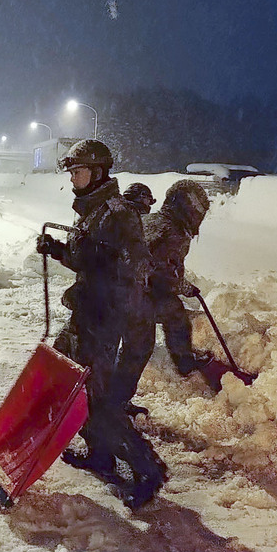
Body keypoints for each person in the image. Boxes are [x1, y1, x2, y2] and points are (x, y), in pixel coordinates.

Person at [36, 139, 166, 510]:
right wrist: (57, 249)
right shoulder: (95, 212)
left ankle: (147, 468)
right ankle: (100, 455)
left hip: (102, 320)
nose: (73, 179)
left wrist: (109, 309)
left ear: (98, 172)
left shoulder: (117, 213)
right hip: (87, 315)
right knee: (69, 386)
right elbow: (88, 261)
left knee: (98, 398)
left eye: (78, 172)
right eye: (72, 173)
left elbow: (130, 269)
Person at [143, 179, 214, 376]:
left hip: (127, 287)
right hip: (139, 292)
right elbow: (164, 275)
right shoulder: (174, 232)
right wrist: (182, 286)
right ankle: (184, 363)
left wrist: (182, 284)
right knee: (176, 316)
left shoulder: (153, 220)